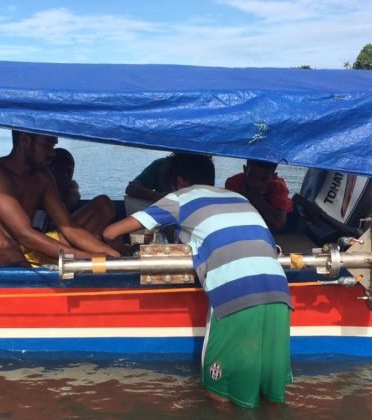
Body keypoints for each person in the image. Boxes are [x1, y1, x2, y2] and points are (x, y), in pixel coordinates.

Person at [103, 153, 293, 407]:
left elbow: (110, 232)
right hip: (280, 293)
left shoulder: (181, 198)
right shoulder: (239, 197)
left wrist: (121, 252)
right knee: (270, 397)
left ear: (179, 182)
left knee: (219, 395)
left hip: (234, 296)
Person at [0, 130, 119, 267]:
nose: (52, 153)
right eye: (47, 145)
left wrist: (111, 255)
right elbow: (24, 234)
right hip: (4, 255)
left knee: (101, 211)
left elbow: (68, 228)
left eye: (53, 146)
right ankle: (30, 282)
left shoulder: (42, 176)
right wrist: (87, 258)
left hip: (31, 251)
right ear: (25, 140)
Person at [44, 147, 115, 234]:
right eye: (60, 170)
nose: (67, 175)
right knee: (102, 202)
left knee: (104, 206)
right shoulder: (40, 188)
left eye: (70, 171)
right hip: (48, 234)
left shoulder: (69, 189)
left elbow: (73, 192)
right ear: (49, 170)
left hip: (61, 232)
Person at [224, 160, 292, 231]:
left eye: (264, 179)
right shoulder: (233, 183)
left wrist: (254, 197)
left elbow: (279, 223)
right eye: (252, 176)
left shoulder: (279, 187)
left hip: (282, 225)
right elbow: (230, 213)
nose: (257, 183)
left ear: (273, 176)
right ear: (245, 170)